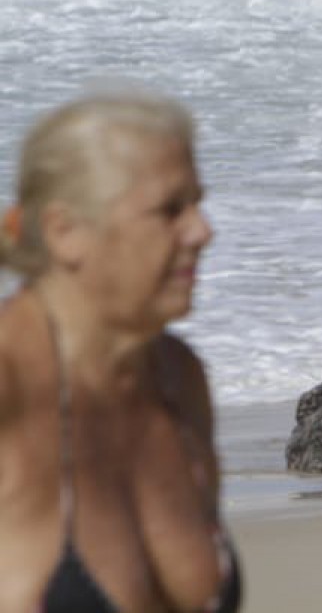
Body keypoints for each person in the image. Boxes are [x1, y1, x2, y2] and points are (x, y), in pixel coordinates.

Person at [0, 93, 241, 613]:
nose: (202, 231)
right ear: (65, 232)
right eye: (170, 209)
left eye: (197, 203)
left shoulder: (178, 378)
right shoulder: (9, 382)